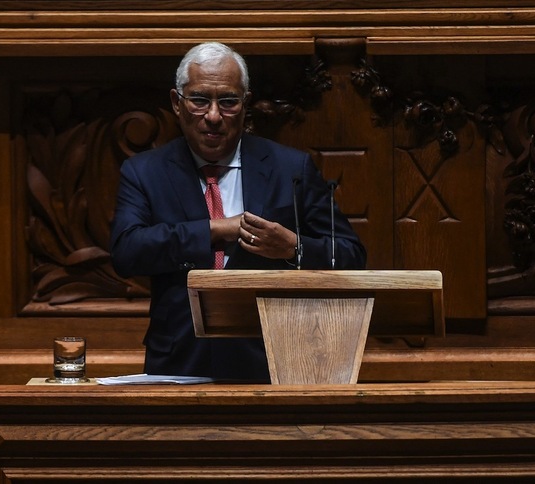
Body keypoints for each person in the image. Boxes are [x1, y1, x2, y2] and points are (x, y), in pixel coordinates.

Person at [110, 42, 366, 381]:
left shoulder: (290, 167)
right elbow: (127, 251)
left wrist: (294, 248)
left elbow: (349, 254)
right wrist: (217, 229)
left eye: (228, 102)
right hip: (180, 361)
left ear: (245, 105)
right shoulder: (145, 172)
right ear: (177, 103)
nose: (213, 116)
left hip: (275, 360)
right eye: (200, 100)